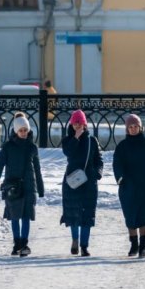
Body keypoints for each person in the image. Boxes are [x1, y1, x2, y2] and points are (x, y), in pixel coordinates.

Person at [112, 113, 145, 258]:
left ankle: (143, 246)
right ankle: (134, 244)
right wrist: (120, 178)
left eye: (136, 126)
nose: (133, 129)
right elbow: (117, 164)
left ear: (140, 127)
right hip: (128, 186)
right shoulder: (122, 146)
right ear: (127, 129)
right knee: (130, 215)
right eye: (130, 127)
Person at [0, 114, 45, 256]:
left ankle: (24, 244)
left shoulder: (32, 147)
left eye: (25, 130)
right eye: (20, 130)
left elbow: (37, 169)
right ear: (16, 131)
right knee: (15, 216)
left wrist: (40, 188)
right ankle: (16, 244)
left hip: (28, 186)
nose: (23, 133)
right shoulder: (8, 146)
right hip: (13, 186)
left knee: (26, 216)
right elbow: (0, 162)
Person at [61, 109, 103, 257]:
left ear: (85, 124)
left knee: (87, 215)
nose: (77, 126)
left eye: (80, 123)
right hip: (72, 181)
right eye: (75, 123)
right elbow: (68, 153)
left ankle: (84, 246)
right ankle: (74, 240)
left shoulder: (92, 141)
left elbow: (99, 160)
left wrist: (98, 173)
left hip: (89, 182)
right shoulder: (67, 140)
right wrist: (76, 138)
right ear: (72, 125)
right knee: (73, 213)